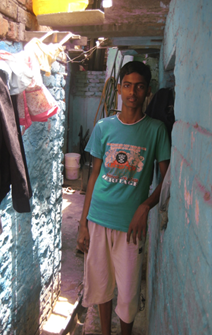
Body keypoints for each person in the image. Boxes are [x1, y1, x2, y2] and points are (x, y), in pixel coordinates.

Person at [77, 61, 171, 335]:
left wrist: (146, 205)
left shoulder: (156, 130)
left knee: (129, 294)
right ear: (119, 88)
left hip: (131, 226)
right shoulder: (104, 127)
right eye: (127, 85)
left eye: (139, 87)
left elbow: (167, 178)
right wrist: (83, 224)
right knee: (101, 284)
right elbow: (93, 176)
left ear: (148, 91)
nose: (132, 93)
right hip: (98, 218)